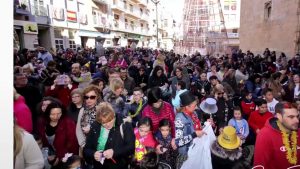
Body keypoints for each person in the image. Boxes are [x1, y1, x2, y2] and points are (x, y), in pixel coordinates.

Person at [83, 102, 135, 169]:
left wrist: (114, 152)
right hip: (99, 166)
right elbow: (86, 149)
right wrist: (93, 154)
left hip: (119, 166)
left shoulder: (124, 125)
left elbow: (131, 147)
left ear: (114, 114)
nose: (107, 124)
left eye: (110, 120)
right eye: (103, 123)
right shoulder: (95, 126)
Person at [254, 102, 300, 169]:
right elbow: (260, 166)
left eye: (297, 116)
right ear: (279, 116)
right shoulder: (265, 135)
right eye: (291, 117)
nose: (297, 121)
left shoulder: (298, 132)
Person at [37, 101, 79, 168]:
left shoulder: (68, 123)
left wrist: (59, 157)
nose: (56, 116)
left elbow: (72, 143)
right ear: (48, 113)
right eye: (52, 114)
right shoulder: (42, 122)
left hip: (65, 157)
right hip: (49, 156)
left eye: (59, 113)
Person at [175, 90, 206, 169]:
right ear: (187, 106)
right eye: (194, 105)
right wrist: (194, 134)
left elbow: (197, 128)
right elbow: (179, 142)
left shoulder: (194, 113)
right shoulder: (179, 118)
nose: (196, 107)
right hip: (186, 154)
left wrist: (206, 125)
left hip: (196, 149)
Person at [76, 85, 101, 150]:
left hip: (100, 145)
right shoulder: (82, 110)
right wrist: (82, 144)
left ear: (97, 97)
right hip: (84, 145)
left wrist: (92, 129)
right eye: (86, 97)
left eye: (92, 97)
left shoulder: (101, 109)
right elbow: (78, 128)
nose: (89, 99)